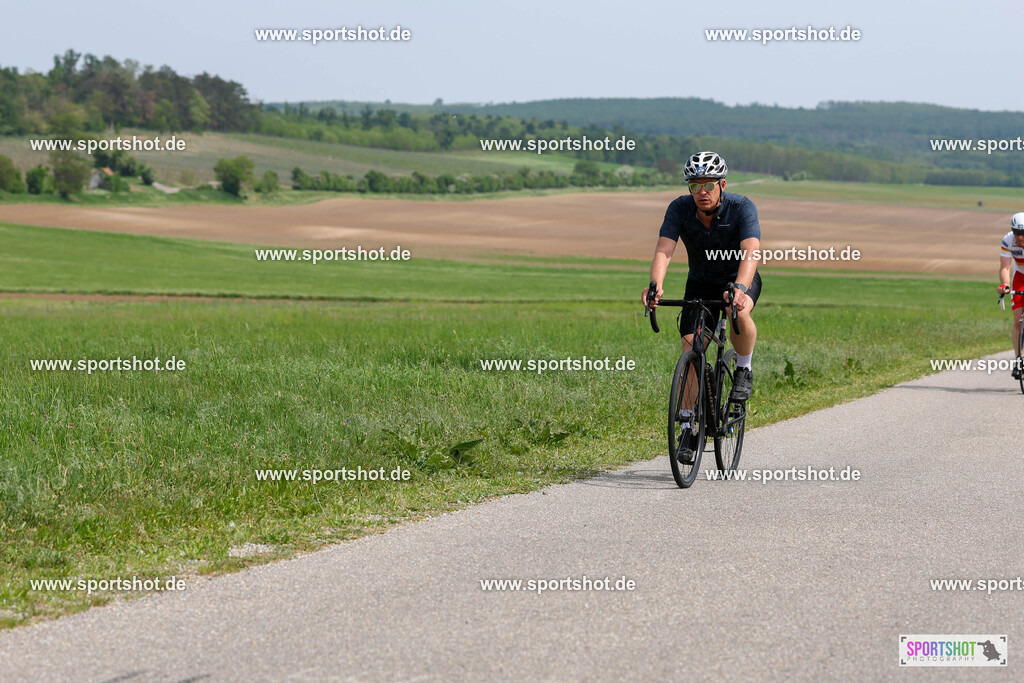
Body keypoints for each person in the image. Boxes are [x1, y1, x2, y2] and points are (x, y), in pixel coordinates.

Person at [642, 152, 761, 460]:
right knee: (691, 348)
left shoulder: (741, 207)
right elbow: (664, 250)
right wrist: (655, 285)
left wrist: (740, 288)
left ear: (722, 184)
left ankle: (744, 369)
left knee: (741, 310)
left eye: (708, 185)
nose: (702, 192)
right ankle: (688, 428)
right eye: (695, 186)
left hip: (738, 278)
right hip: (700, 283)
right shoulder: (679, 209)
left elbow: (751, 250)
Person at [998, 212, 1024, 379]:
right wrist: (1005, 286)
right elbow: (1005, 268)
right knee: (1017, 320)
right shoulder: (1008, 240)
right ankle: (1018, 360)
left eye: (1023, 233)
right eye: (1016, 232)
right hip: (1021, 276)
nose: (1019, 237)